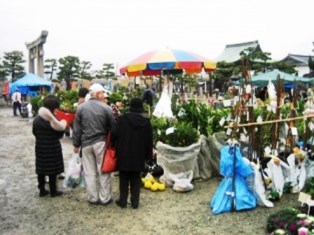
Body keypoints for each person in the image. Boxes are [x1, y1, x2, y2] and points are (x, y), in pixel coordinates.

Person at [72, 83, 116, 205]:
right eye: (102, 93)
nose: (103, 95)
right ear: (97, 94)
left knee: (89, 172)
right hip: (100, 143)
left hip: (86, 144)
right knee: (103, 171)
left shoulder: (81, 108)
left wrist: (76, 144)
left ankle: (93, 198)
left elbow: (77, 128)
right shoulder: (106, 108)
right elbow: (113, 127)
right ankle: (105, 198)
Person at [111, 98, 153, 209]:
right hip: (139, 154)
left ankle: (123, 201)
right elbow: (149, 140)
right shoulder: (146, 121)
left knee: (123, 176)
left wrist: (114, 145)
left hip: (124, 152)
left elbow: (114, 133)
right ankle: (135, 202)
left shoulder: (122, 119)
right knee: (136, 177)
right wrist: (148, 156)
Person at [32, 95, 67, 197]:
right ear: (53, 108)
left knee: (41, 169)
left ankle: (42, 190)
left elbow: (34, 132)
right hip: (52, 147)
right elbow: (59, 134)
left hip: (40, 147)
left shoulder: (37, 119)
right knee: (53, 170)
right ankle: (53, 191)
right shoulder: (53, 120)